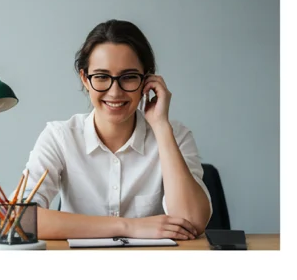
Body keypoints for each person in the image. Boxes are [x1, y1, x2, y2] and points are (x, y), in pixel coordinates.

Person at [22, 20, 212, 240]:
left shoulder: (175, 135)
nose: (115, 92)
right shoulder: (60, 137)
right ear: (85, 78)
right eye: (102, 77)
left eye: (129, 77)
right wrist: (128, 227)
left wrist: (160, 126)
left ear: (147, 80)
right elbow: (21, 219)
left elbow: (192, 223)